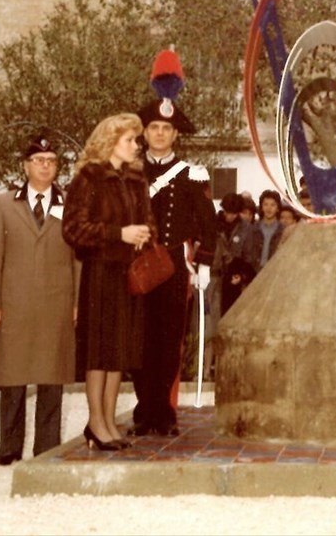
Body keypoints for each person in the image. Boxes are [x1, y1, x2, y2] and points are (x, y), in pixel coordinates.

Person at [129, 48, 217, 437]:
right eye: (153, 129)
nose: (160, 134)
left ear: (175, 134)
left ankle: (162, 412)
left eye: (166, 129)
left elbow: (207, 223)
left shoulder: (191, 174)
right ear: (145, 132)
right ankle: (143, 408)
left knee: (168, 342)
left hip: (174, 267)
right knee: (137, 341)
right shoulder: (131, 172)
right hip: (137, 266)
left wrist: (206, 265)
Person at [0, 136, 80, 465]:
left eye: (51, 160)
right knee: (12, 376)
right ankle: (9, 448)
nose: (45, 166)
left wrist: (77, 300)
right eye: (38, 160)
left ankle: (46, 447)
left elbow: (77, 260)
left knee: (52, 376)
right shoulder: (4, 203)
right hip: (15, 303)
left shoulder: (70, 204)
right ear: (25, 165)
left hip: (57, 301)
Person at [62, 113, 155, 450]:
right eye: (130, 139)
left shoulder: (135, 179)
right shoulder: (88, 178)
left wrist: (145, 233)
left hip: (128, 276)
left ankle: (108, 420)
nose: (136, 146)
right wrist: (120, 234)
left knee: (120, 352)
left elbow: (148, 220)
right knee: (99, 352)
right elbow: (73, 229)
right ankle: (95, 422)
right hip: (100, 274)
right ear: (110, 141)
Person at [243, 189, 285, 274]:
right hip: (254, 272)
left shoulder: (283, 230)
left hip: (274, 272)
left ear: (278, 208)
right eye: (265, 204)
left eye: (273, 205)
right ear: (261, 207)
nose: (268, 208)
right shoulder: (253, 229)